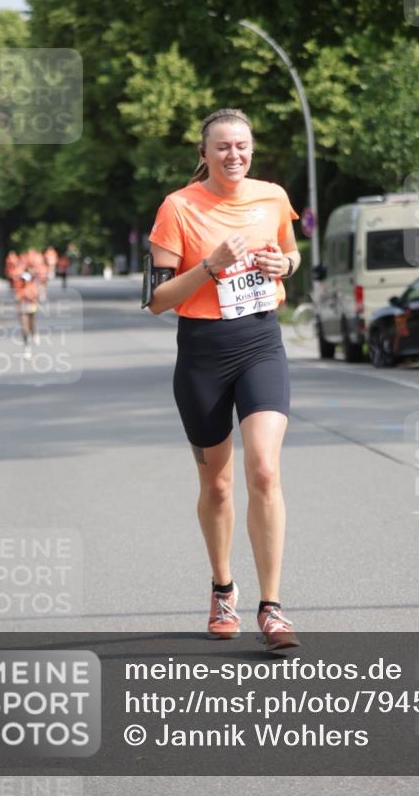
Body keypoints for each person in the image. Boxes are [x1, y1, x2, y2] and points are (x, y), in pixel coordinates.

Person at [147, 107, 301, 651]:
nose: (234, 155)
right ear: (204, 153)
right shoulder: (178, 208)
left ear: (251, 148)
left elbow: (291, 251)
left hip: (261, 343)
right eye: (223, 147)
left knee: (263, 468)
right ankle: (222, 588)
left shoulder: (273, 196)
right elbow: (157, 300)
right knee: (216, 485)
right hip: (203, 353)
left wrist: (286, 266)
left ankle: (273, 607)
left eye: (243, 146)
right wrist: (209, 265)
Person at [13, 268, 39, 359]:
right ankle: (27, 348)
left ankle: (34, 333)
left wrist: (28, 297)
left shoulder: (32, 287)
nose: (23, 281)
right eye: (22, 280)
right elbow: (17, 298)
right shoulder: (19, 288)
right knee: (24, 328)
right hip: (23, 309)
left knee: (31, 325)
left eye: (25, 280)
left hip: (31, 308)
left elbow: (35, 296)